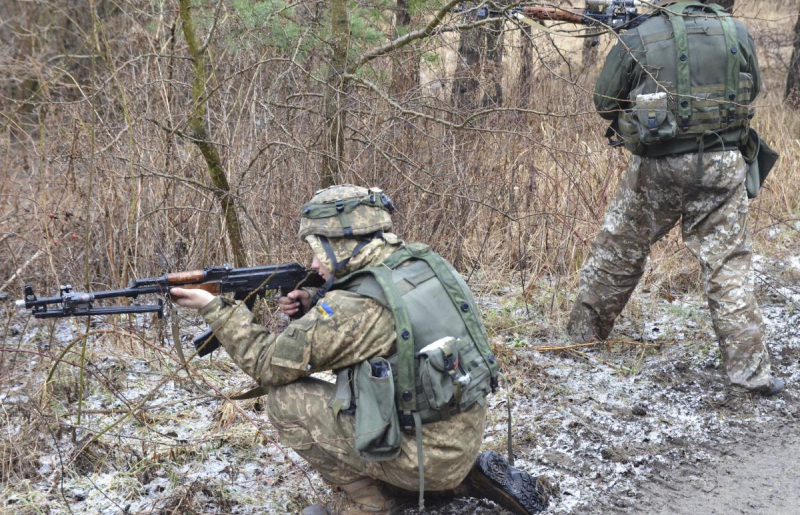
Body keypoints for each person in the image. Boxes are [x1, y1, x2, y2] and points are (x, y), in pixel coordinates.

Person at [172, 185, 549, 514]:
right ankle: (460, 478)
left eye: (320, 250)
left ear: (343, 244)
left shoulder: (356, 309)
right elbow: (380, 328)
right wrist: (314, 302)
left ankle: (370, 503)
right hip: (460, 435)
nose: (315, 263)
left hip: (426, 455)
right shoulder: (421, 262)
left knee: (285, 401)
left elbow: (268, 365)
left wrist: (212, 309)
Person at [567, 0, 783, 397]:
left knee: (617, 252)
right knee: (729, 268)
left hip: (659, 167)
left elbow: (605, 103)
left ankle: (580, 342)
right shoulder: (736, 31)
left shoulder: (641, 34)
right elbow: (755, 90)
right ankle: (750, 375)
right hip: (724, 165)